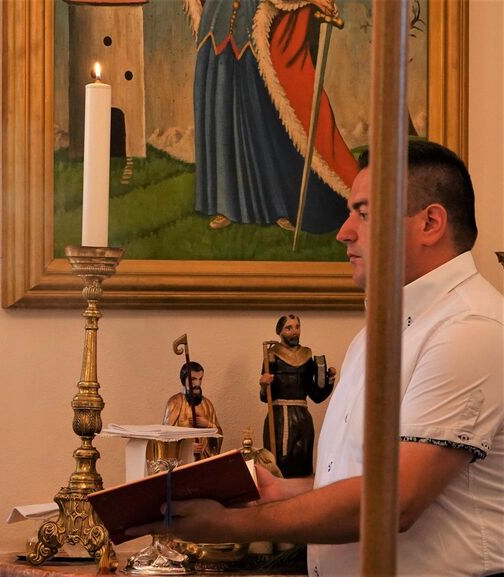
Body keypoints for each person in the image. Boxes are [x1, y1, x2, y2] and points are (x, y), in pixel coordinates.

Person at [128, 141, 503, 576]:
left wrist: (232, 525)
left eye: (364, 213)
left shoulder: (470, 328)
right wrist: (279, 492)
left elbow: (396, 500)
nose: (344, 232)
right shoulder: (378, 333)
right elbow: (356, 478)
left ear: (430, 223)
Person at [185, 0, 357, 232]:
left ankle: (278, 208)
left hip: (257, 29)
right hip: (217, 23)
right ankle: (226, 206)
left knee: (264, 117)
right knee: (222, 112)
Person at [258, 314, 336, 477]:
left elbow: (316, 395)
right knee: (281, 461)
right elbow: (265, 397)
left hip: (302, 418)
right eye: (289, 328)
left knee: (302, 459)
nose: (294, 331)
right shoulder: (272, 355)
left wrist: (328, 379)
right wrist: (264, 385)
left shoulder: (307, 356)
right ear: (279, 332)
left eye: (297, 327)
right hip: (280, 417)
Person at [163, 361, 222, 460]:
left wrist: (209, 424)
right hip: (182, 462)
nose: (197, 383)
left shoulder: (207, 404)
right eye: (193, 379)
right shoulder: (174, 402)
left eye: (200, 379)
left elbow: (219, 435)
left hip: (204, 460)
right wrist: (187, 449)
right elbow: (165, 436)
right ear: (184, 380)